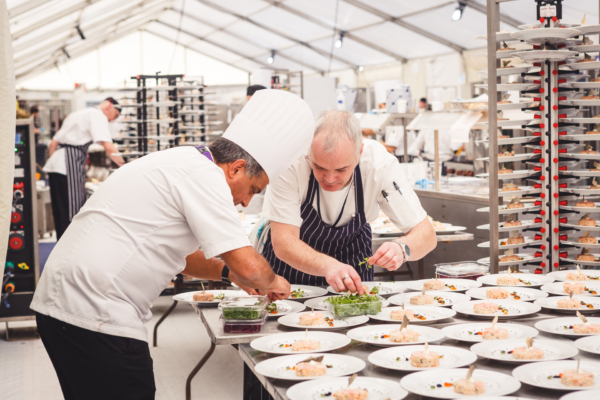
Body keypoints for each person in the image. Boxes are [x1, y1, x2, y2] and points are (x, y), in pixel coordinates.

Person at [30, 90, 314, 400]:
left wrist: (229, 275)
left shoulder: (185, 160)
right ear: (236, 168)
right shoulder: (206, 176)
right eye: (253, 189)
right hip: (97, 310)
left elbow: (182, 255)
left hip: (62, 305)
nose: (246, 201)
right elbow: (251, 267)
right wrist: (273, 281)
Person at [257, 110, 437, 294]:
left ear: (359, 152)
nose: (329, 178)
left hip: (353, 263)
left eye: (341, 169)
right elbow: (283, 242)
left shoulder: (379, 165)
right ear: (309, 151)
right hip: (292, 273)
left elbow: (427, 234)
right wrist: (327, 265)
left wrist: (402, 248)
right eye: (319, 167)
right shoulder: (290, 162)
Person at [43, 98, 125, 239]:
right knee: (73, 210)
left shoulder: (78, 113)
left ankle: (62, 249)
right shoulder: (98, 115)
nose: (112, 120)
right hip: (68, 165)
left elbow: (53, 143)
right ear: (109, 106)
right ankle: (72, 246)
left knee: (60, 210)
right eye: (115, 116)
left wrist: (55, 162)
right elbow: (108, 146)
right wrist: (125, 166)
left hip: (57, 166)